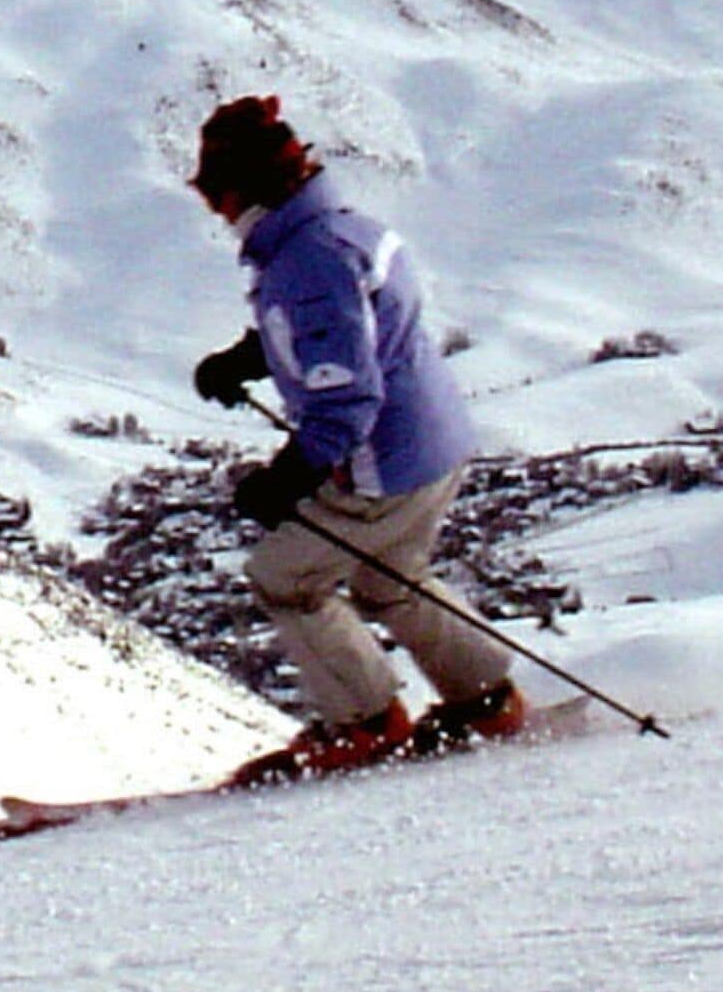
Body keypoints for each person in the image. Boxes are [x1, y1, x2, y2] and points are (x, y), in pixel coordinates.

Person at [185, 92, 531, 780]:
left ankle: (367, 724)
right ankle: (486, 699)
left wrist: (288, 476)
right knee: (392, 579)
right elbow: (355, 331)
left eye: (214, 196)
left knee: (285, 577)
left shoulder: (305, 264)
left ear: (242, 191)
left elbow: (347, 396)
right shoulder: (343, 232)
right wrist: (252, 359)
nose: (215, 213)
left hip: (384, 465)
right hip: (433, 447)